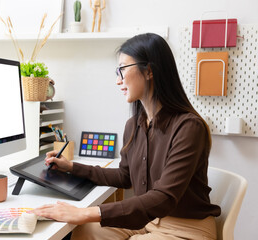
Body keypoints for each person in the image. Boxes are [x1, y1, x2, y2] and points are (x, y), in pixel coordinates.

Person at [32, 33, 221, 240]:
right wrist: (72, 167)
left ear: (148, 71)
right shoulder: (134, 125)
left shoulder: (189, 127)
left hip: (186, 227)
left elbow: (164, 198)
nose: (118, 81)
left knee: (87, 221)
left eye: (122, 69)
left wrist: (86, 212)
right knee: (84, 231)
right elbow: (125, 176)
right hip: (148, 221)